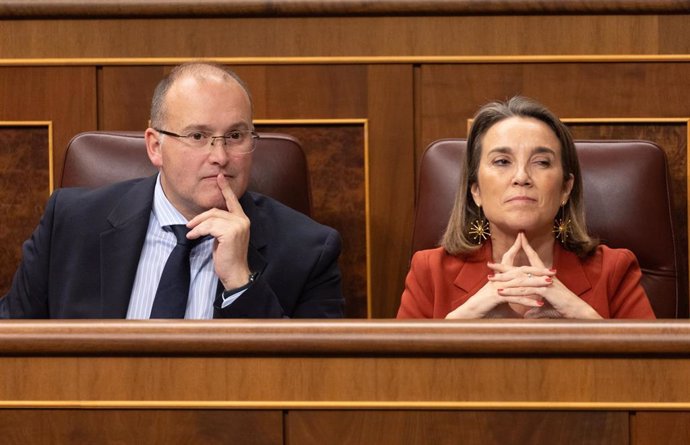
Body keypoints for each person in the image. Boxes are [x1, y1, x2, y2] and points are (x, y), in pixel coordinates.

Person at [4, 62, 344, 319]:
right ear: (155, 147)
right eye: (198, 136)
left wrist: (242, 283)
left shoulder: (309, 251)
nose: (220, 156)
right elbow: (13, 348)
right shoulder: (71, 224)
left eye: (236, 136)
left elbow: (312, 385)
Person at [397, 96, 655, 319]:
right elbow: (398, 375)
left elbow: (655, 374)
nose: (521, 176)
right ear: (476, 191)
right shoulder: (430, 271)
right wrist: (459, 323)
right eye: (502, 161)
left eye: (541, 162)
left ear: (565, 189)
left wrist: (583, 316)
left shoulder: (614, 270)